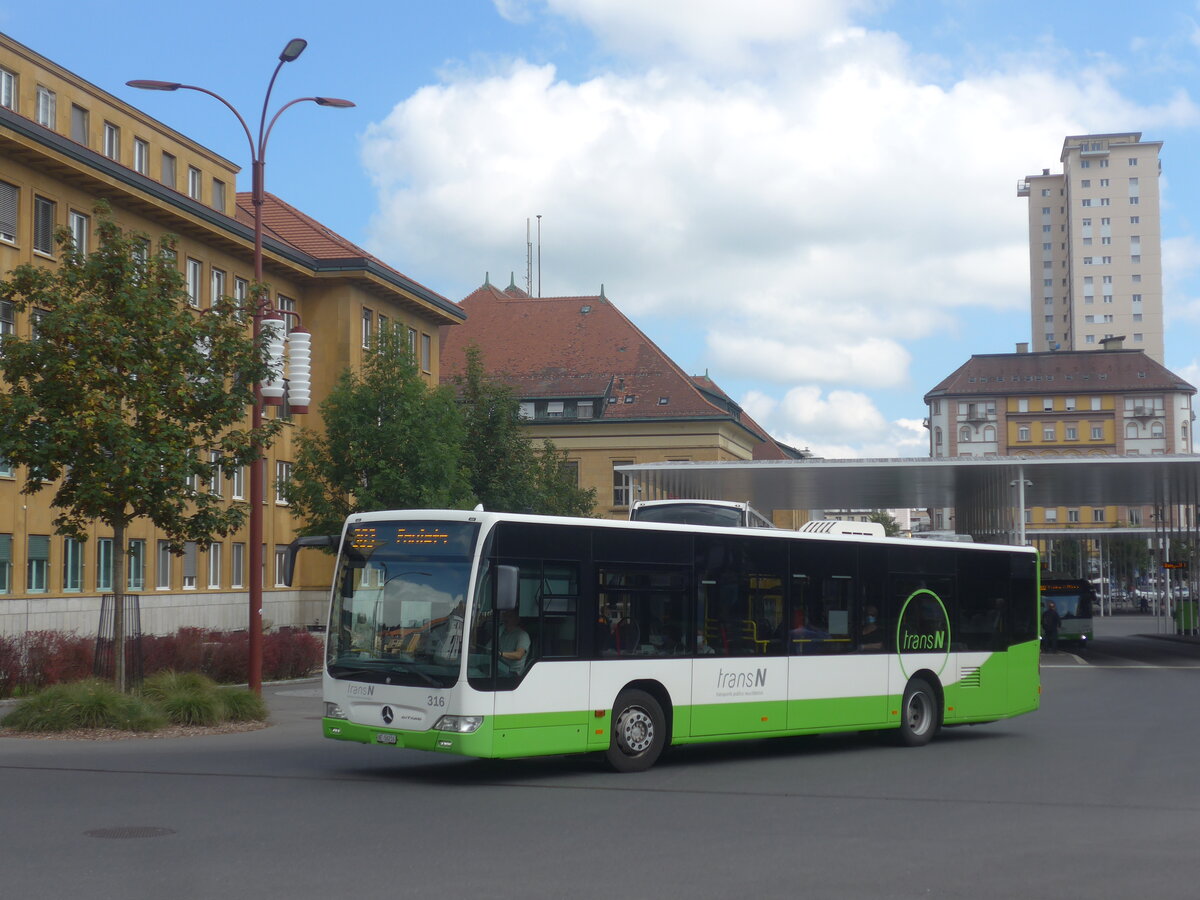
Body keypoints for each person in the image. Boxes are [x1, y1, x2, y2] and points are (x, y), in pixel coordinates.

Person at [497, 608, 531, 674]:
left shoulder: (522, 635)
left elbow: (519, 655)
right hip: (499, 668)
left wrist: (500, 654)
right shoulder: (501, 632)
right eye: (505, 616)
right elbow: (488, 648)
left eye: (510, 616)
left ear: (517, 619)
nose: (506, 619)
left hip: (512, 673)